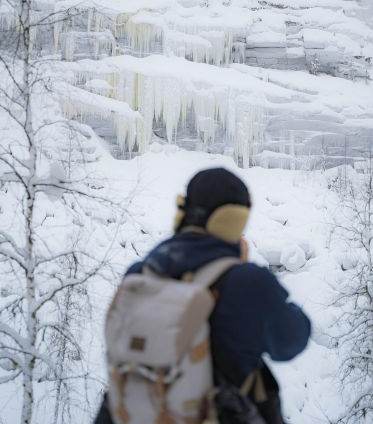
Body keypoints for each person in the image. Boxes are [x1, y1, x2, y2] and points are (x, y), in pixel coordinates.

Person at [95, 167, 311, 424]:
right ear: (235, 221)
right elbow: (292, 340)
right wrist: (241, 269)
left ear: (183, 212)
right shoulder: (246, 282)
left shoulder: (140, 273)